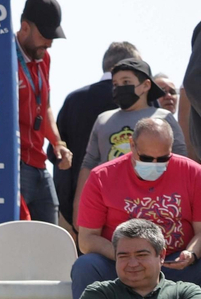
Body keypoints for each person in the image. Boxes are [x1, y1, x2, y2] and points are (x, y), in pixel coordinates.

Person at [72, 120, 201, 299]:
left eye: (163, 159)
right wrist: (126, 257)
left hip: (174, 264)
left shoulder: (193, 173)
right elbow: (86, 240)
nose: (155, 164)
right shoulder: (102, 177)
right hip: (121, 265)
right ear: (132, 145)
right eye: (147, 158)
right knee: (86, 266)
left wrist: (191, 253)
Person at [78, 58, 188, 208]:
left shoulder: (163, 117)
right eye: (115, 84)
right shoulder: (103, 120)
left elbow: (180, 159)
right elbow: (89, 163)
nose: (120, 88)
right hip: (111, 203)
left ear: (146, 85)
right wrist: (79, 205)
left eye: (126, 82)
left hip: (155, 202)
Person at [57, 42, 142, 226]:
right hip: (137, 208)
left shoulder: (74, 100)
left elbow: (58, 155)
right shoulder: (144, 102)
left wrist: (69, 207)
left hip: (83, 209)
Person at [15, 0, 72, 223]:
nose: (49, 43)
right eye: (45, 36)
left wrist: (57, 142)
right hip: (14, 165)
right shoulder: (1, 56)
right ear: (25, 27)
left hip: (39, 163)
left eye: (53, 37)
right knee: (18, 239)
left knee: (51, 240)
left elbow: (45, 104)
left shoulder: (44, 57)